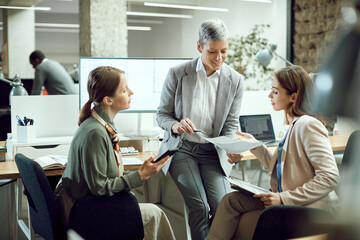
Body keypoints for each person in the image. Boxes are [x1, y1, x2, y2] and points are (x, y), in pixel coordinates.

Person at [206, 66, 340, 240]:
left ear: (293, 96)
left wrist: (283, 198)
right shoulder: (293, 125)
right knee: (231, 201)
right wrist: (256, 146)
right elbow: (282, 169)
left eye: (275, 92)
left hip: (310, 208)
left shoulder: (307, 124)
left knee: (242, 224)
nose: (270, 96)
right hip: (287, 200)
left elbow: (330, 177)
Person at [54, 66, 175, 240]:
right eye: (125, 90)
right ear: (108, 100)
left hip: (85, 202)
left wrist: (141, 172)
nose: (131, 92)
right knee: (155, 214)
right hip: (83, 211)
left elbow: (104, 176)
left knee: (149, 210)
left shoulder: (101, 124)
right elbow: (100, 187)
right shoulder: (95, 133)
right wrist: (139, 176)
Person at [157, 18, 244, 240]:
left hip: (212, 152)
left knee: (224, 207)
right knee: (200, 207)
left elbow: (231, 123)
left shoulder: (235, 80)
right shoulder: (178, 73)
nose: (219, 58)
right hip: (182, 149)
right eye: (212, 51)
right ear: (199, 47)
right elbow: (162, 115)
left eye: (224, 51)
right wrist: (176, 126)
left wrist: (231, 144)